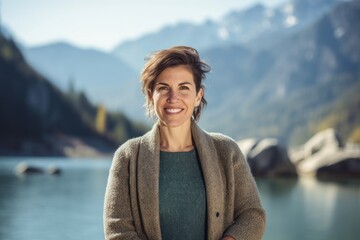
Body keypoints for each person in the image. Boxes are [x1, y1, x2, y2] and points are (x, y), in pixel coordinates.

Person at [103, 46, 266, 240]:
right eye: (163, 88)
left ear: (198, 96)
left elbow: (252, 215)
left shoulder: (226, 150)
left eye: (184, 88)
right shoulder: (128, 156)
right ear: (150, 95)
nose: (173, 98)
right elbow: (117, 231)